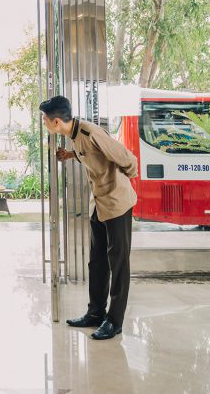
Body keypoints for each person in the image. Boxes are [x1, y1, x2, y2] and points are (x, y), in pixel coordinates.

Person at [39, 95, 138, 340]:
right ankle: (95, 313)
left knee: (119, 264)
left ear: (55, 122)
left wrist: (121, 182)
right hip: (100, 204)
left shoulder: (90, 132)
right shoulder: (75, 134)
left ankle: (114, 322)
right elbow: (89, 152)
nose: (43, 122)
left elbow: (128, 160)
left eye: (44, 119)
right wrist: (71, 155)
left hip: (117, 205)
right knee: (97, 261)